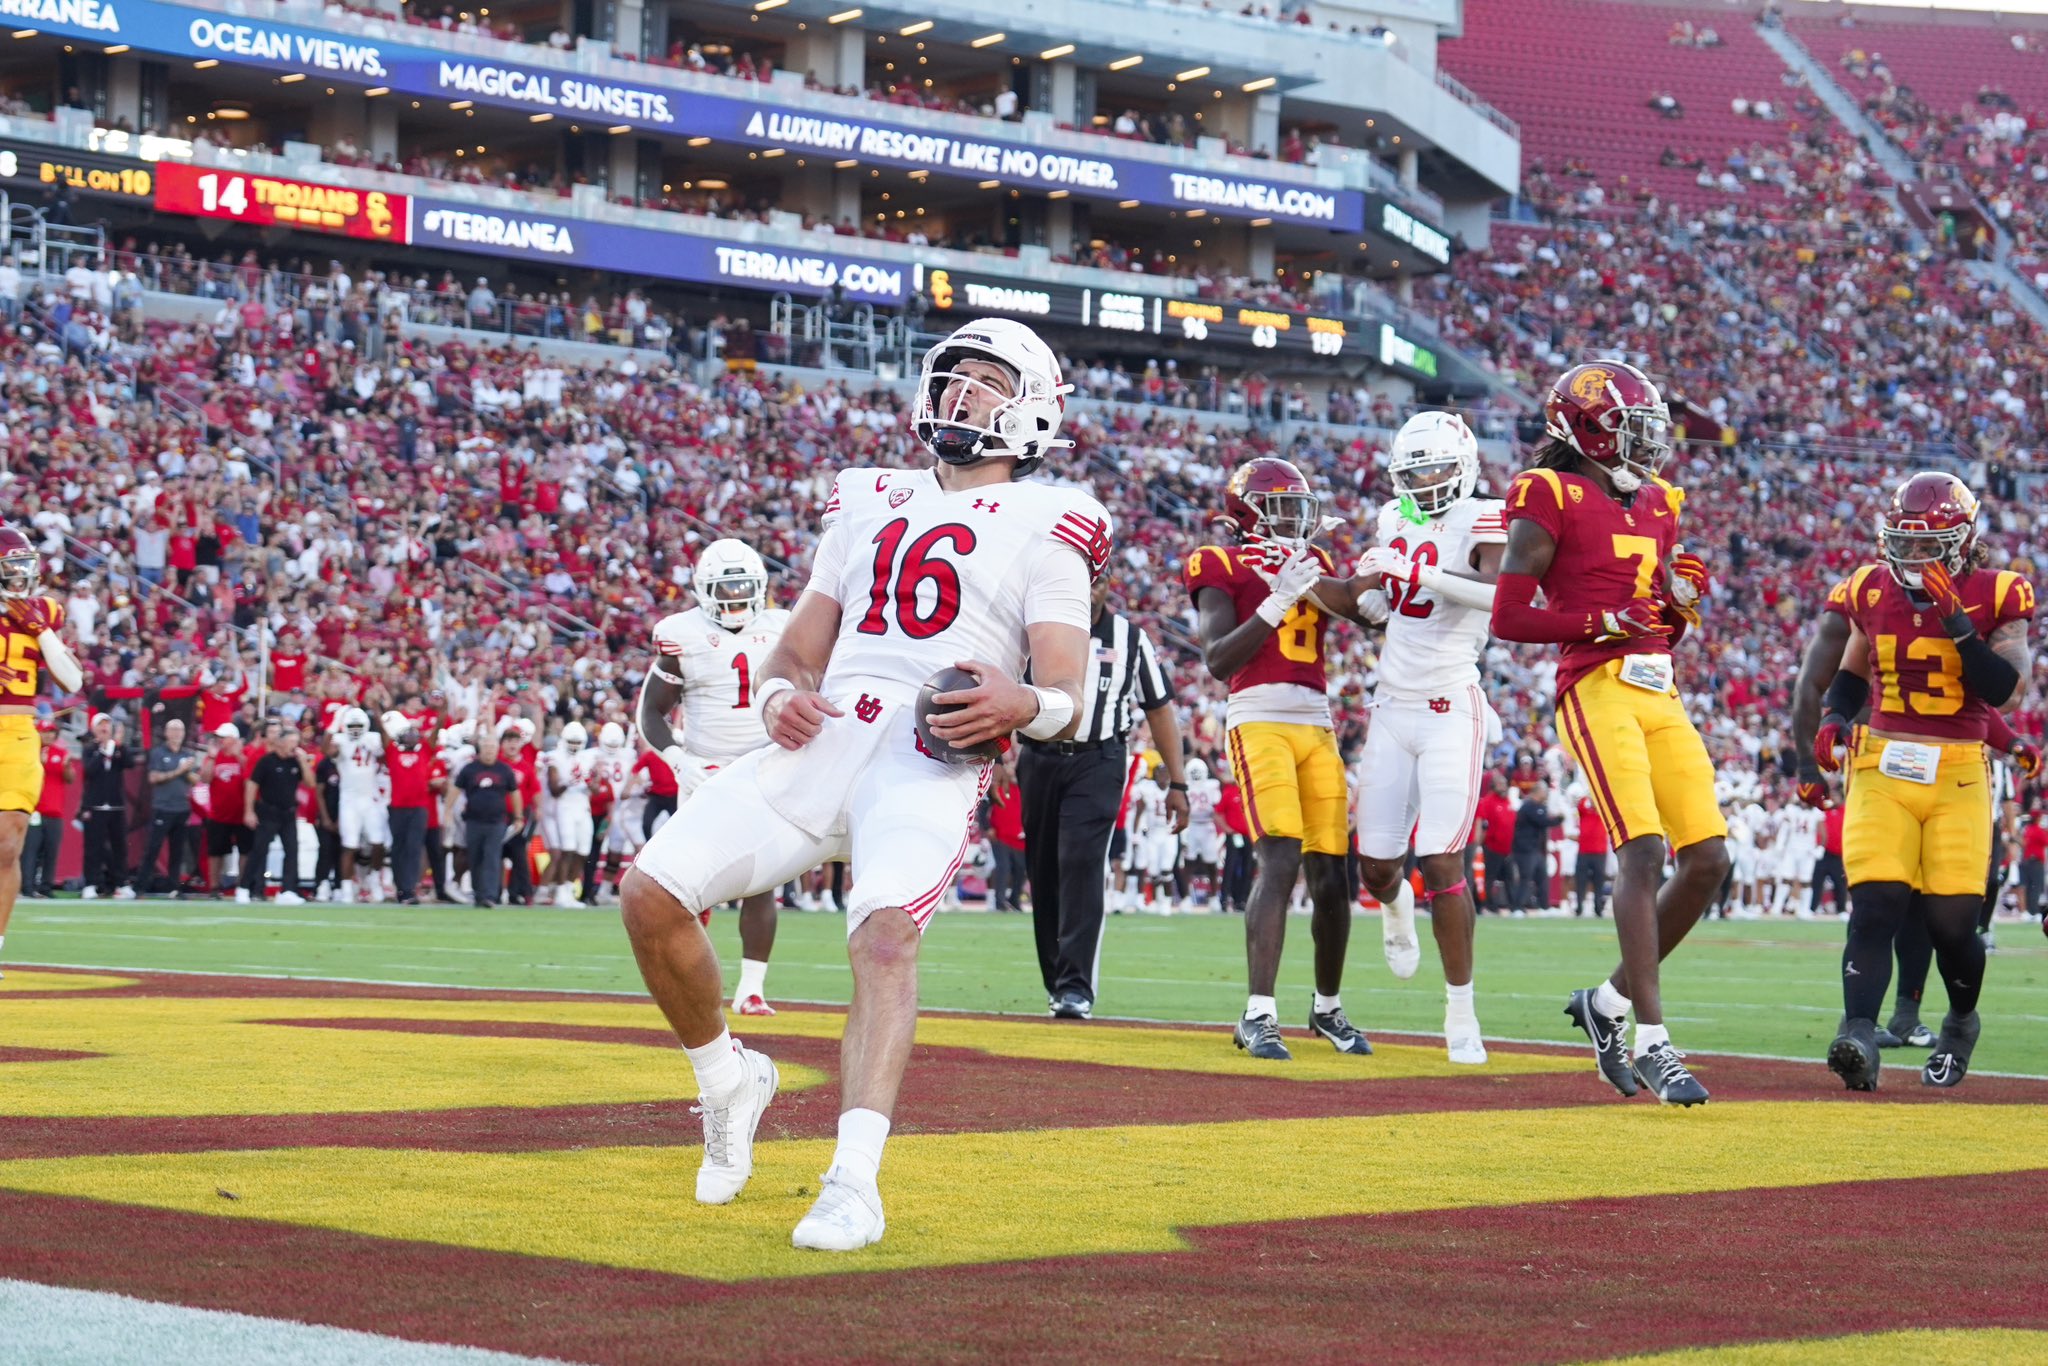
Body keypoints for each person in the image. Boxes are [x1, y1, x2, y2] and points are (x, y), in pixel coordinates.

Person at [618, 317, 1107, 1252]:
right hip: (826, 736)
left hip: (927, 757)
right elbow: (799, 649)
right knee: (651, 895)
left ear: (1035, 409)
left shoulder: (1055, 520)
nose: (961, 394)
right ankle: (728, 1079)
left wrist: (1021, 703)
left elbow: (1069, 698)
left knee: (883, 938)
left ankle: (853, 1182)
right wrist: (772, 698)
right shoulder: (868, 497)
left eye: (986, 382)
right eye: (952, 376)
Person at [1491, 361, 1729, 1106]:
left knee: (1709, 861)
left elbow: (1661, 626)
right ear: (1586, 426)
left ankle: (1607, 1005)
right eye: (1632, 426)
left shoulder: (1659, 502)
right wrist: (1601, 621)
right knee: (1644, 850)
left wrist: (1681, 608)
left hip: (1658, 684)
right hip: (1594, 687)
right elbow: (1508, 617)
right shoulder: (1547, 491)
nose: (1647, 443)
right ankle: (1655, 1041)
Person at [1813, 473, 2035, 1090]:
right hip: (1884, 763)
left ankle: (1961, 1020)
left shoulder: (2000, 593)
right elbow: (1853, 672)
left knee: (1951, 925)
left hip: (1959, 768)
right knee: (1876, 903)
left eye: (1928, 544)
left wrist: (1956, 619)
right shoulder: (1869, 587)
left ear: (1961, 542)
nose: (1913, 557)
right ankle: (1858, 1032)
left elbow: (2009, 692)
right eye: (1904, 544)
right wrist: (1833, 716)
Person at [1185, 456, 1375, 1061]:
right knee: (1281, 857)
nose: (1294, 520)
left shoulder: (1309, 562)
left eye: (1299, 508)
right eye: (1281, 508)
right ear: (1248, 512)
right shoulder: (1218, 562)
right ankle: (1258, 1013)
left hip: (1315, 722)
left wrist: (1380, 580)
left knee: (1331, 873)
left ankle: (1327, 1007)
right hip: (1258, 718)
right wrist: (1274, 599)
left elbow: (1355, 605)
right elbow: (1217, 660)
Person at [1347, 410, 1504, 1064]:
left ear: (1463, 464)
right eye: (1416, 473)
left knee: (1443, 858)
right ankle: (1393, 909)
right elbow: (1373, 595)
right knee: (1378, 866)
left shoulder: (1485, 514)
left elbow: (1502, 595)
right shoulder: (1393, 517)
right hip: (1392, 703)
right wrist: (1367, 595)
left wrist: (1421, 578)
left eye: (1437, 468)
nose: (1428, 482)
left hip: (1450, 702)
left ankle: (1461, 1009)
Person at [1018, 570, 1185, 1018]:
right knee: (1044, 869)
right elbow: (1004, 690)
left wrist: (1179, 781)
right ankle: (1057, 982)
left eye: (1097, 580)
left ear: (1108, 584)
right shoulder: (1035, 628)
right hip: (1037, 756)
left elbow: (1160, 708)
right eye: (1079, 579)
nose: (1089, 588)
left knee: (1081, 861)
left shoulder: (1129, 638)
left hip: (1099, 759)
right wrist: (997, 759)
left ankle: (1076, 986)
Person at [637, 537, 793, 1012]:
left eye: (742, 587)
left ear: (760, 586)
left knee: (763, 880)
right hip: (704, 771)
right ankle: (688, 986)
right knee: (687, 884)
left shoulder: (784, 626)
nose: (733, 598)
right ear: (705, 590)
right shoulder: (680, 634)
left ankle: (751, 990)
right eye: (724, 589)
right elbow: (651, 713)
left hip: (765, 769)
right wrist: (679, 760)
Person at [0, 528, 85, 970]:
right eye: (10, 567)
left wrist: (39, 629)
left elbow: (73, 682)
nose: (19, 576)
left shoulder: (43, 610)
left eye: (22, 566)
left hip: (16, 731)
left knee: (9, 843)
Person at [241, 723, 316, 905]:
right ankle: (245, 888)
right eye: (291, 742)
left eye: (296, 742)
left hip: (288, 813)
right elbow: (252, 785)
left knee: (292, 851)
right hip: (268, 811)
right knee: (259, 850)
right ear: (281, 743)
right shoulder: (267, 761)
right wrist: (249, 810)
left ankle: (288, 890)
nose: (294, 745)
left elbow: (310, 783)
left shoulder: (295, 763)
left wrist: (303, 762)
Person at [329, 706, 390, 903]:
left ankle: (374, 880)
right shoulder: (340, 739)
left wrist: (380, 723)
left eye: (358, 725)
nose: (355, 729)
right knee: (350, 845)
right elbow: (326, 750)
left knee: (378, 843)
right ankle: (347, 888)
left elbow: (387, 749)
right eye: (351, 725)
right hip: (349, 800)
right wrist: (333, 723)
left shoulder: (372, 738)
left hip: (370, 799)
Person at [455, 732, 522, 908]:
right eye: (486, 747)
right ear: (480, 749)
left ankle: (490, 895)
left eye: (492, 747)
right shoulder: (469, 769)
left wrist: (518, 816)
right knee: (475, 857)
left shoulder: (504, 770)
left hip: (496, 820)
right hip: (473, 820)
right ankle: (479, 893)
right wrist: (448, 812)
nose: (489, 751)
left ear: (497, 749)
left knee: (492, 857)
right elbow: (455, 790)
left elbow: (515, 793)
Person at [140, 718, 201, 896]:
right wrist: (179, 771)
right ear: (166, 733)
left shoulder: (187, 755)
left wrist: (187, 771)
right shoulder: (159, 753)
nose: (176, 734)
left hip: (182, 807)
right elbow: (153, 778)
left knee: (178, 851)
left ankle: (174, 887)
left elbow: (197, 781)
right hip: (162, 807)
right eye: (173, 730)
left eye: (179, 730)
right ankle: (140, 887)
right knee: (153, 848)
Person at [80, 713, 136, 901]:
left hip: (116, 806)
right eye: (101, 725)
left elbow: (130, 763)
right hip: (95, 805)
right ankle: (91, 884)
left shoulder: (119, 748)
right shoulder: (89, 749)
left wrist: (117, 746)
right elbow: (90, 770)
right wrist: (103, 750)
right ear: (94, 728)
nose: (104, 729)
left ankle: (121, 883)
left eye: (107, 725)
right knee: (93, 847)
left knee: (120, 847)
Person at [21, 720, 78, 900]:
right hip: (34, 810)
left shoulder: (61, 753)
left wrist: (67, 766)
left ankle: (46, 886)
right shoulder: (29, 754)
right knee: (30, 851)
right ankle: (27, 886)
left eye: (52, 732)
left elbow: (70, 779)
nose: (49, 735)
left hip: (55, 811)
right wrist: (39, 763)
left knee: (51, 851)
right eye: (45, 731)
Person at [543, 721, 596, 908]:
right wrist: (570, 781)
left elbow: (595, 788)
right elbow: (555, 788)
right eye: (571, 741)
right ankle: (559, 892)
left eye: (577, 741)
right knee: (567, 849)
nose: (574, 745)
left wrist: (591, 781)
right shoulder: (554, 757)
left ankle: (567, 889)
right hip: (563, 807)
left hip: (582, 807)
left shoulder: (588, 758)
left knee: (583, 852)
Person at [386, 720, 437, 905]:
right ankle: (400, 887)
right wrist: (377, 711)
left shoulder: (423, 751)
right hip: (397, 807)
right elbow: (385, 735)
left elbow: (436, 731)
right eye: (407, 735)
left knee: (414, 848)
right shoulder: (393, 752)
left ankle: (408, 889)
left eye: (413, 735)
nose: (410, 737)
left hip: (419, 807)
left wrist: (442, 712)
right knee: (398, 848)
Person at [199, 724, 251, 896]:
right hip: (219, 813)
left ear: (234, 739)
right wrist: (212, 758)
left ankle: (242, 885)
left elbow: (251, 776)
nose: (220, 741)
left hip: (241, 812)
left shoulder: (243, 756)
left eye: (224, 737)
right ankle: (214, 886)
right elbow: (205, 779)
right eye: (219, 737)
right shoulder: (213, 757)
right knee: (216, 852)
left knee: (245, 850)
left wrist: (239, 755)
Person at [1571, 784, 1611, 917]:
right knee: (1580, 880)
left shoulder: (1603, 809)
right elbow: (1580, 805)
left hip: (1599, 851)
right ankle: (1579, 906)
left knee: (1598, 880)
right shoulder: (1585, 808)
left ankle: (1598, 907)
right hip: (1584, 850)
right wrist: (1588, 795)